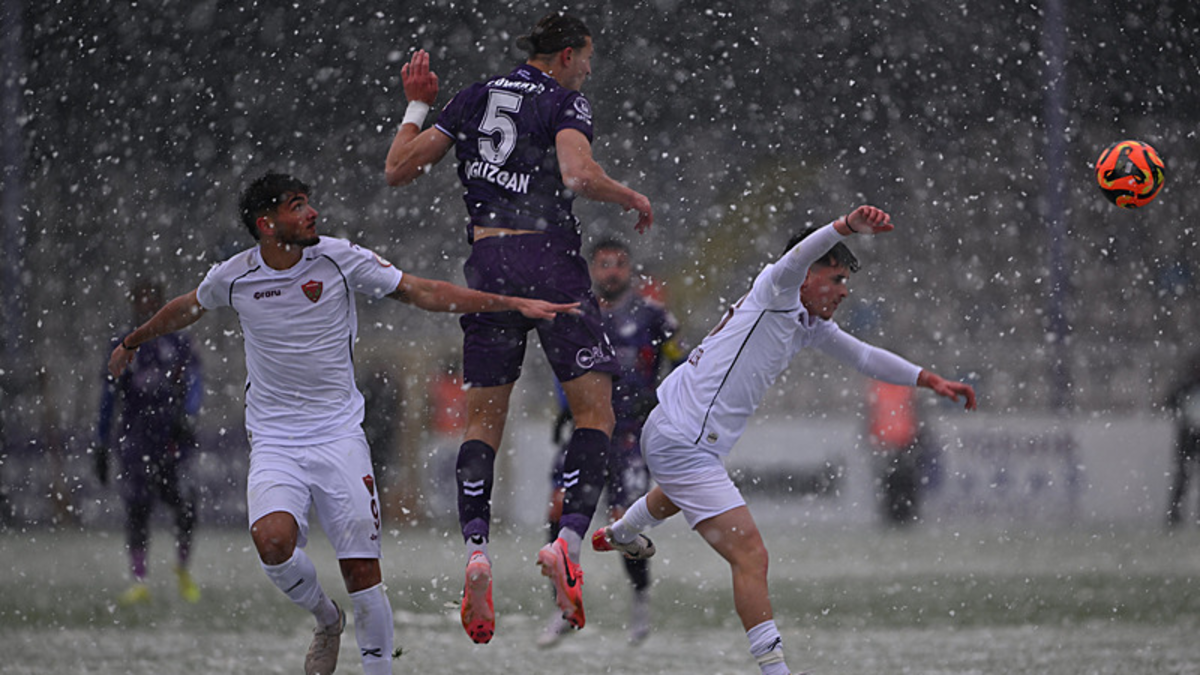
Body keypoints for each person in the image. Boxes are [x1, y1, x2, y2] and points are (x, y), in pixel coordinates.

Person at [106, 173, 579, 675]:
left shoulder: (338, 258)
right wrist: (133, 341)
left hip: (338, 437)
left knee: (361, 573)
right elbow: (187, 307)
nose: (311, 212)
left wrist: (511, 304)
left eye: (308, 203)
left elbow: (421, 290)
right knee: (273, 544)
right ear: (266, 224)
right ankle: (326, 618)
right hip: (275, 441)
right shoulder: (235, 276)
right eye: (296, 205)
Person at [591, 206, 977, 675]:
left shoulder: (806, 321)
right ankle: (776, 671)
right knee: (751, 555)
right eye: (835, 278)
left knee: (678, 493)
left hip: (678, 433)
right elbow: (800, 254)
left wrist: (928, 379)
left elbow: (864, 356)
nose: (844, 290)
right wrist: (846, 226)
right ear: (807, 274)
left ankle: (621, 533)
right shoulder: (777, 287)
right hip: (682, 439)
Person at [383, 12, 654, 643]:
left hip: (488, 260)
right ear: (565, 56)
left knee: (483, 421)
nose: (589, 68)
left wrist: (417, 105)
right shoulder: (565, 101)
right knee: (596, 413)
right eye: (586, 56)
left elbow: (397, 169)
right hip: (549, 256)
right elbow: (578, 175)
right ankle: (566, 543)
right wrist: (630, 197)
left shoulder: (473, 96)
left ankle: (476, 552)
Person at [537, 239, 683, 647]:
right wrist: (564, 407)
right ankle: (563, 605)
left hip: (630, 434)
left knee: (624, 522)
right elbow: (563, 367)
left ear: (630, 269)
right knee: (560, 509)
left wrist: (661, 400)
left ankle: (640, 601)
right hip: (586, 428)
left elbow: (682, 363)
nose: (612, 272)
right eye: (604, 264)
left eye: (619, 264)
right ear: (592, 270)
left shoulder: (654, 316)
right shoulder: (577, 313)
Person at [94, 278, 203, 606]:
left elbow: (195, 381)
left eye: (151, 299)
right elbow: (108, 396)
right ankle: (139, 580)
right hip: (136, 441)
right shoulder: (124, 344)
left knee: (185, 507)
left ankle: (182, 569)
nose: (146, 305)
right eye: (141, 299)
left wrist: (188, 415)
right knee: (137, 509)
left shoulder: (178, 344)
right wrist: (101, 442)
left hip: (172, 440)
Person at [865, 379, 935, 526]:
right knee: (893, 483)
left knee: (903, 483)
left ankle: (903, 516)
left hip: (902, 442)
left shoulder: (888, 387)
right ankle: (895, 516)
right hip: (890, 443)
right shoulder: (900, 386)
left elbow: (917, 412)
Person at [1165, 353, 1200, 527]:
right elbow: (1171, 402)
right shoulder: (1186, 386)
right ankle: (1175, 516)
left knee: (1183, 478)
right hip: (1187, 436)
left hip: (1190, 435)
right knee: (1182, 478)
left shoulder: (1186, 386)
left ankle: (1178, 515)